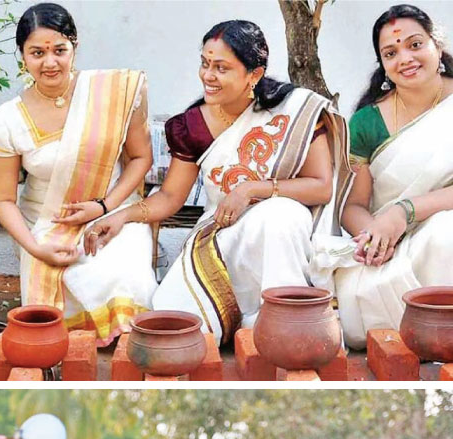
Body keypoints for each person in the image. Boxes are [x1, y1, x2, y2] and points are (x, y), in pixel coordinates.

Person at [90, 19, 349, 344]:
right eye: (205, 63)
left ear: (253, 75)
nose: (208, 76)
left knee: (277, 215)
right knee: (177, 332)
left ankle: (282, 325)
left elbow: (321, 186)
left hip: (285, 234)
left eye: (221, 68)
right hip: (220, 235)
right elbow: (171, 196)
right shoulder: (192, 126)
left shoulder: (296, 110)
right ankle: (253, 326)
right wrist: (120, 216)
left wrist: (253, 189)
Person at [0, 3, 156, 345]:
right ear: (23, 56)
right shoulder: (6, 122)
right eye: (37, 52)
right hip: (44, 225)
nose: (49, 62)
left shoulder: (115, 92)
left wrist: (103, 207)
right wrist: (34, 248)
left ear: (75, 47)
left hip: (114, 212)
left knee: (124, 276)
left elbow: (140, 158)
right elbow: (3, 200)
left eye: (60, 50)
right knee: (60, 288)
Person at [313, 5, 453, 349]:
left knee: (443, 232)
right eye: (391, 53)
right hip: (391, 242)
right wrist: (376, 237)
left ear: (438, 45)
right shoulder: (365, 123)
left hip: (432, 227)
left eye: (415, 45)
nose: (404, 58)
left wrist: (404, 211)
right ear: (383, 64)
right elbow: (353, 205)